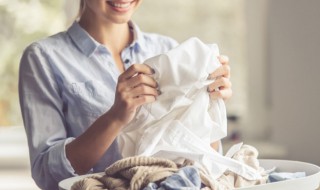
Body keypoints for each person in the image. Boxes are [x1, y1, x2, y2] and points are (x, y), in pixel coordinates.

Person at [18, 0, 232, 189]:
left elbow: (203, 160)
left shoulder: (169, 50)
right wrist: (116, 117)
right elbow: (46, 175)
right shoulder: (43, 58)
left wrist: (210, 102)